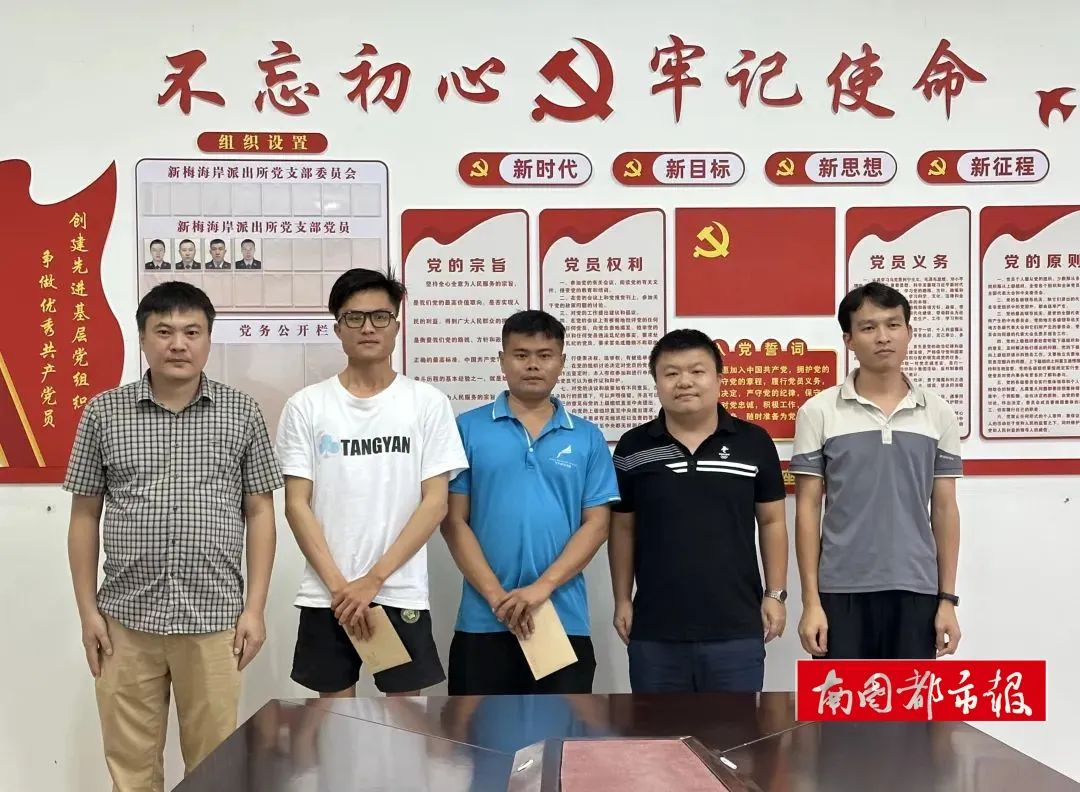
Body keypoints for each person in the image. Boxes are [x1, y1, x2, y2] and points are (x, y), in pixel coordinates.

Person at [63, 281, 283, 792]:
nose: (178, 344)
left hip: (214, 620)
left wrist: (254, 609)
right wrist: (88, 611)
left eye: (191, 331)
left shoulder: (242, 412)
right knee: (130, 767)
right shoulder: (104, 412)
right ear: (142, 338)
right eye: (163, 331)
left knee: (214, 765)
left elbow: (260, 511)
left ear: (208, 339)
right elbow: (84, 514)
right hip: (124, 621)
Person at [276, 267, 467, 698]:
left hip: (399, 592)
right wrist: (342, 588)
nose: (368, 327)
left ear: (396, 325)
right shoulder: (306, 406)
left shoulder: (427, 403)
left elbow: (435, 503)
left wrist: (373, 580)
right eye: (354, 317)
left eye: (380, 317)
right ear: (338, 327)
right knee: (332, 722)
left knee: (405, 722)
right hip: (328, 596)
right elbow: (296, 504)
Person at [441, 310, 620, 695]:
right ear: (502, 360)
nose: (533, 365)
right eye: (521, 354)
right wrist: (496, 597)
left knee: (560, 730)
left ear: (562, 361)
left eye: (545, 355)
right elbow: (453, 522)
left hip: (561, 617)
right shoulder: (467, 428)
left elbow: (597, 524)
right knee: (476, 731)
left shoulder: (587, 436)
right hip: (484, 619)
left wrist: (542, 588)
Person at [608, 329, 788, 693]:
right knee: (655, 729)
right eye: (671, 373)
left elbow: (772, 522)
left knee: (736, 729)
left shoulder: (753, 442)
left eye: (697, 371)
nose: (684, 382)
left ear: (719, 378)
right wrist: (623, 599)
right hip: (654, 629)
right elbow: (623, 529)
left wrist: (775, 594)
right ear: (657, 382)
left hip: (737, 627)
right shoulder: (633, 446)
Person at [790, 281, 963, 660]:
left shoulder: (938, 413)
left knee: (910, 700)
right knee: (843, 700)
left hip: (917, 589)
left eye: (893, 325)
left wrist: (947, 599)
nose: (883, 337)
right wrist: (811, 601)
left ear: (909, 332)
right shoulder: (819, 411)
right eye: (868, 327)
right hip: (840, 591)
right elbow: (807, 508)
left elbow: (945, 508)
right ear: (849, 340)